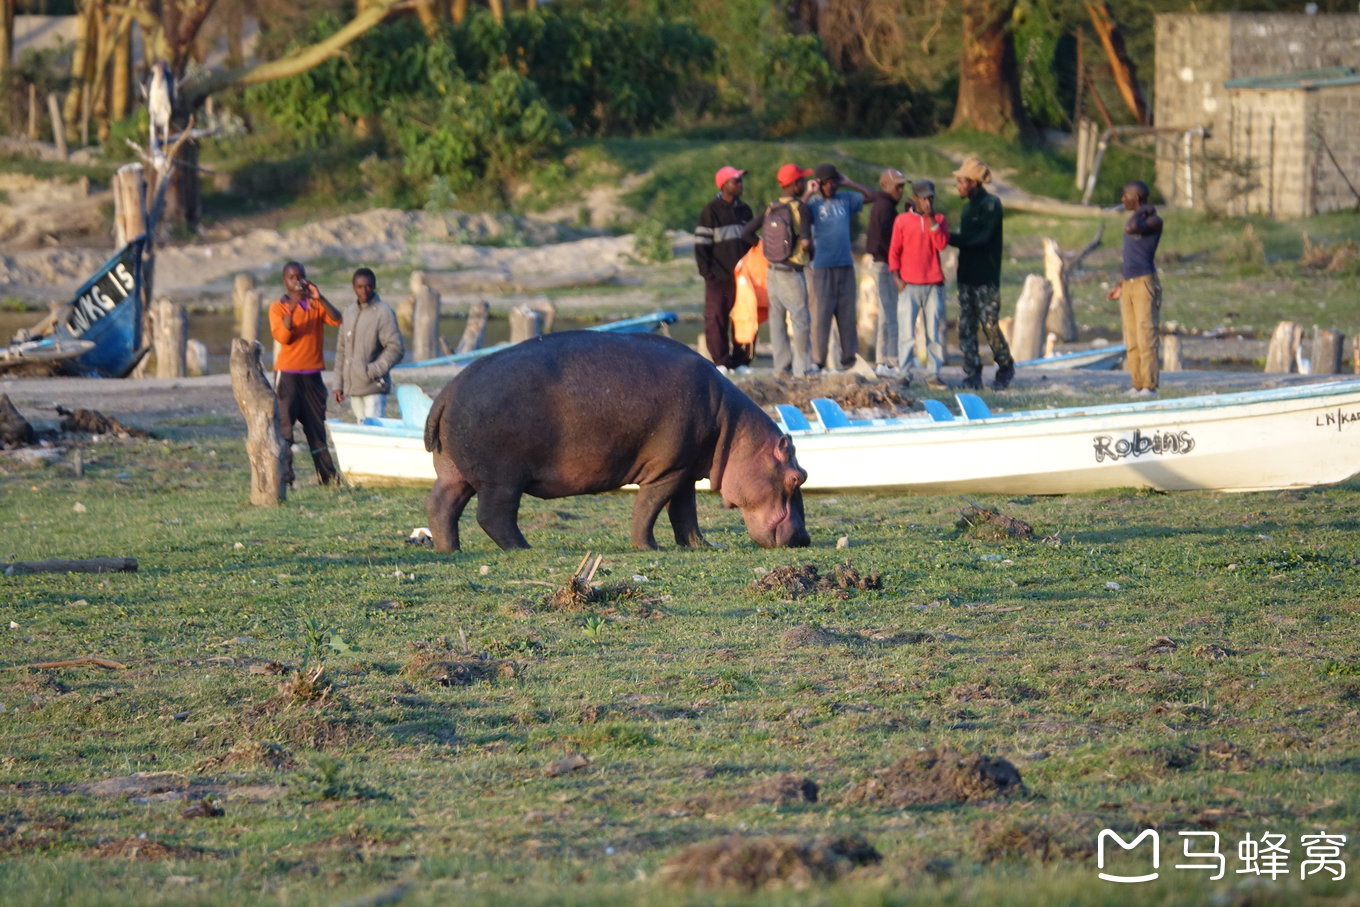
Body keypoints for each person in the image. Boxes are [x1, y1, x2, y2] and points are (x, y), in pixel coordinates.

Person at [270, 261, 343, 486]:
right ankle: (285, 477)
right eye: (292, 277)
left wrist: (319, 297)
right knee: (285, 429)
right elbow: (283, 337)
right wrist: (291, 309)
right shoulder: (278, 307)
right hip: (288, 375)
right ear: (285, 281)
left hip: (313, 375)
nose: (297, 281)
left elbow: (337, 319)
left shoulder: (315, 304)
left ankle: (327, 477)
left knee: (316, 427)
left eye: (300, 276)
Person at [741, 163, 817, 378]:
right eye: (801, 180)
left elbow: (746, 232)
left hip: (772, 271)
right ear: (795, 185)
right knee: (800, 321)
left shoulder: (772, 207)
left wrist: (765, 248)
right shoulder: (801, 209)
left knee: (777, 321)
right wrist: (810, 254)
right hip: (792, 273)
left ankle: (781, 369)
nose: (803, 183)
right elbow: (805, 242)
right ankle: (803, 370)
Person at [947, 156, 1014, 391]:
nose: (958, 185)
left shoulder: (991, 204)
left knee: (989, 325)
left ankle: (1005, 366)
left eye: (961, 181)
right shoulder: (967, 209)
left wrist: (950, 238)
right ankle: (972, 373)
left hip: (986, 277)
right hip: (966, 276)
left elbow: (982, 239)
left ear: (974, 183)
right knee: (965, 327)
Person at [805, 163, 871, 371]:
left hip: (845, 265)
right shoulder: (812, 204)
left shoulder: (846, 199)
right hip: (822, 267)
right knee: (821, 316)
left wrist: (850, 183)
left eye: (834, 183)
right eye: (826, 184)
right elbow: (796, 213)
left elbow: (873, 197)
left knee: (847, 315)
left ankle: (849, 359)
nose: (830, 187)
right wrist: (808, 193)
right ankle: (818, 361)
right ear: (819, 184)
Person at [888, 179, 950, 390]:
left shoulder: (939, 219)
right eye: (924, 198)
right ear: (914, 198)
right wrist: (896, 277)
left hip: (933, 284)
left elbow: (941, 244)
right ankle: (904, 374)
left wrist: (930, 217)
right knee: (906, 332)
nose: (927, 202)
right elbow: (894, 250)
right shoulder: (902, 221)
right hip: (909, 284)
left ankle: (933, 374)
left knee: (934, 332)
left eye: (930, 198)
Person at [695, 165, 755, 374]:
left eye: (740, 180)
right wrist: (708, 274)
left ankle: (741, 363)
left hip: (743, 278)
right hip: (718, 277)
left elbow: (752, 243)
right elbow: (701, 246)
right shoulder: (710, 211)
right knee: (716, 320)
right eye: (736, 180)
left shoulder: (745, 210)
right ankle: (721, 363)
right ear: (724, 184)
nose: (740, 184)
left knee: (745, 319)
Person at [1108, 180, 1164, 397]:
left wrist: (1145, 210)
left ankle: (1150, 387)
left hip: (1145, 283)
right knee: (1131, 338)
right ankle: (1136, 384)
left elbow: (1131, 227)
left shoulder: (1154, 220)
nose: (1122, 200)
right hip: (1129, 283)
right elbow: (1130, 257)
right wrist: (1120, 284)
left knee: (1146, 336)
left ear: (1136, 198)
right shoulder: (1137, 217)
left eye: (1125, 196)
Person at [334, 267, 405, 421]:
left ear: (374, 286)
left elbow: (396, 348)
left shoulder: (383, 312)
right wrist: (337, 385)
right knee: (361, 429)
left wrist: (372, 370)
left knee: (374, 431)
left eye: (368, 286)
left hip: (374, 387)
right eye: (360, 287)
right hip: (353, 388)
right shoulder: (348, 313)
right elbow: (341, 351)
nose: (364, 291)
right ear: (354, 288)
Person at [866, 169, 907, 377]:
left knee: (885, 312)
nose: (901, 190)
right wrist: (895, 267)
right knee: (891, 313)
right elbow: (883, 241)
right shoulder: (885, 208)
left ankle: (882, 360)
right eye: (897, 186)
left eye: (902, 186)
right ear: (885, 186)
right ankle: (891, 360)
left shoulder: (885, 206)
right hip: (884, 265)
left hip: (882, 264)